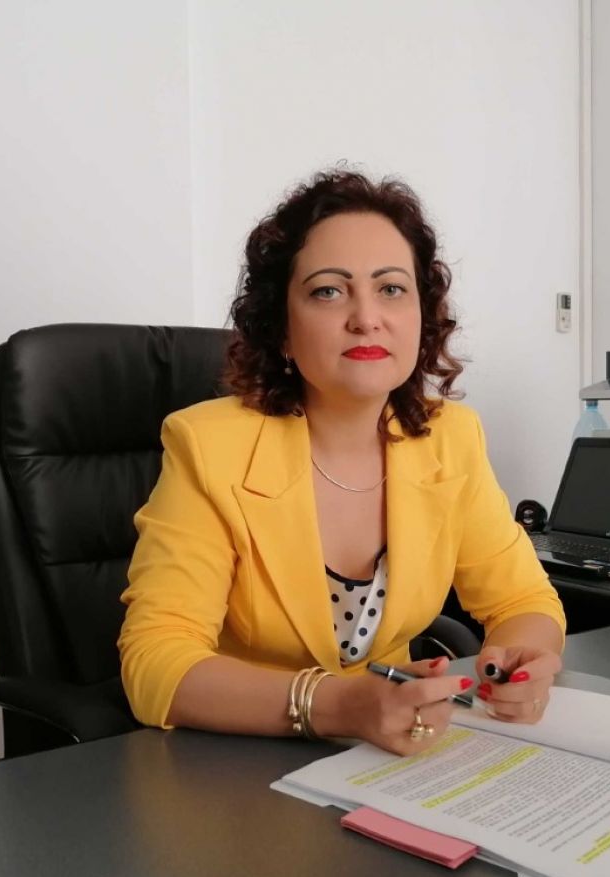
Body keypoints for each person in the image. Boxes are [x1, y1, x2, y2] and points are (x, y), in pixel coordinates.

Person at [118, 169, 566, 756]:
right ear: (281, 328)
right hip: (235, 763)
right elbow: (156, 662)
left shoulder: (450, 439)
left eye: (392, 289)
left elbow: (522, 601)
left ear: (422, 318)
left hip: (390, 758)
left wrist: (524, 661)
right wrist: (339, 706)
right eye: (329, 291)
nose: (366, 317)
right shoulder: (207, 444)